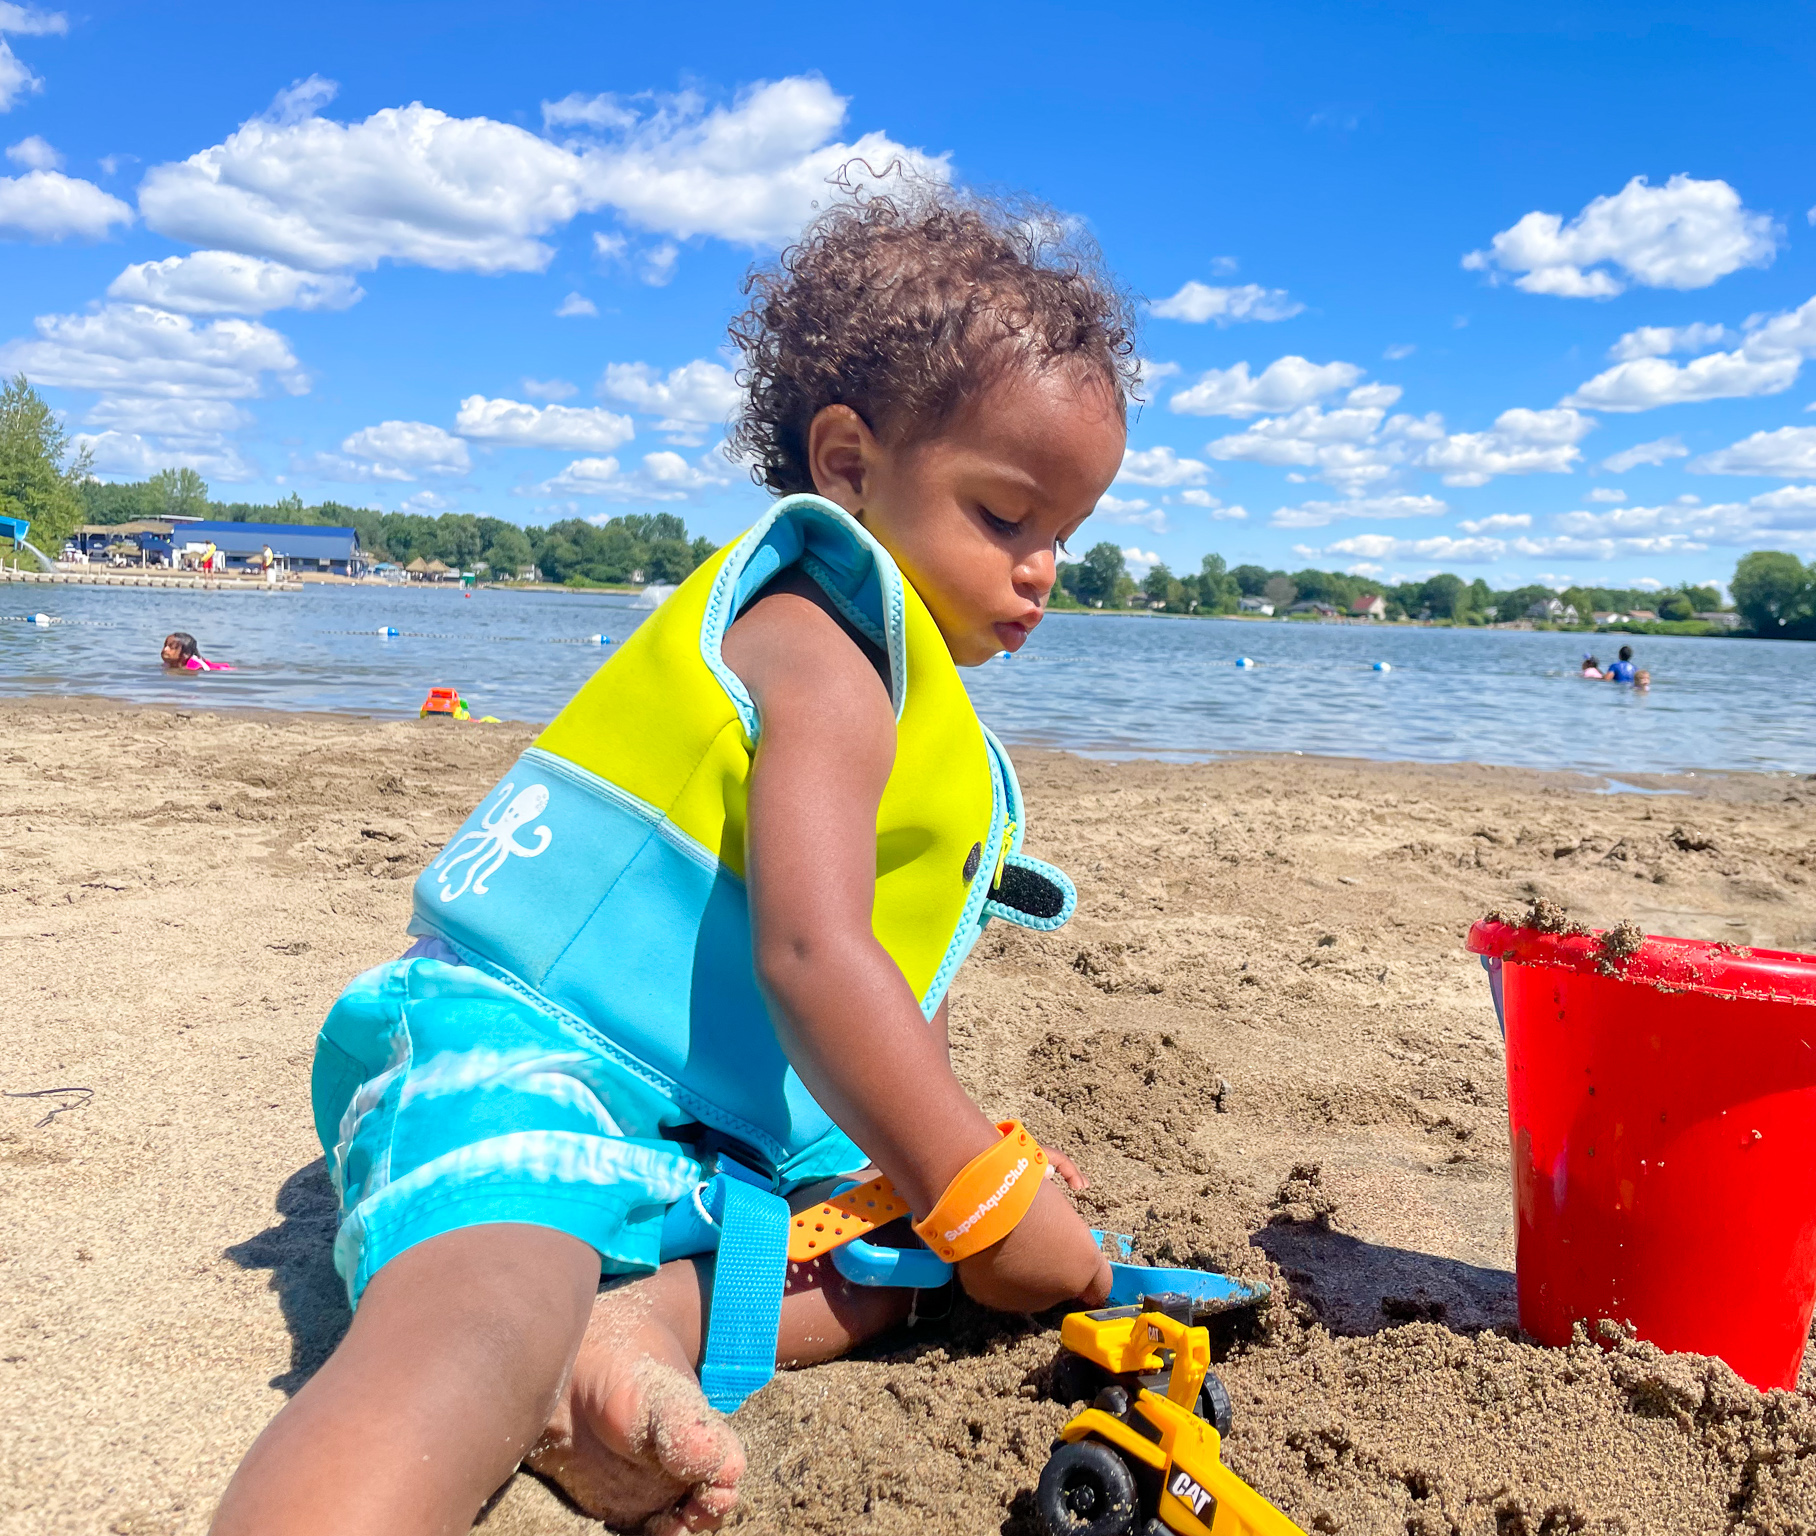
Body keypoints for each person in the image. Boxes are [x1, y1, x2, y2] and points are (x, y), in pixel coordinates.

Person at [211, 182, 1135, 1536]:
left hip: (689, 1129)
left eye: (1065, 535)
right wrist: (982, 1196)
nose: (1043, 568)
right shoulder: (818, 649)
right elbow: (814, 956)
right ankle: (524, 1356)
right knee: (482, 1314)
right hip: (526, 1063)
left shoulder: (895, 678)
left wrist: (955, 1185)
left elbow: (868, 1020)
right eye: (1005, 518)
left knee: (897, 1260)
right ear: (849, 464)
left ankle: (623, 1336)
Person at [160, 632, 233, 671]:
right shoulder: (168, 664)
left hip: (222, 669)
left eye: (171, 647)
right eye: (165, 645)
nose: (165, 649)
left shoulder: (194, 666)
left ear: (186, 654)